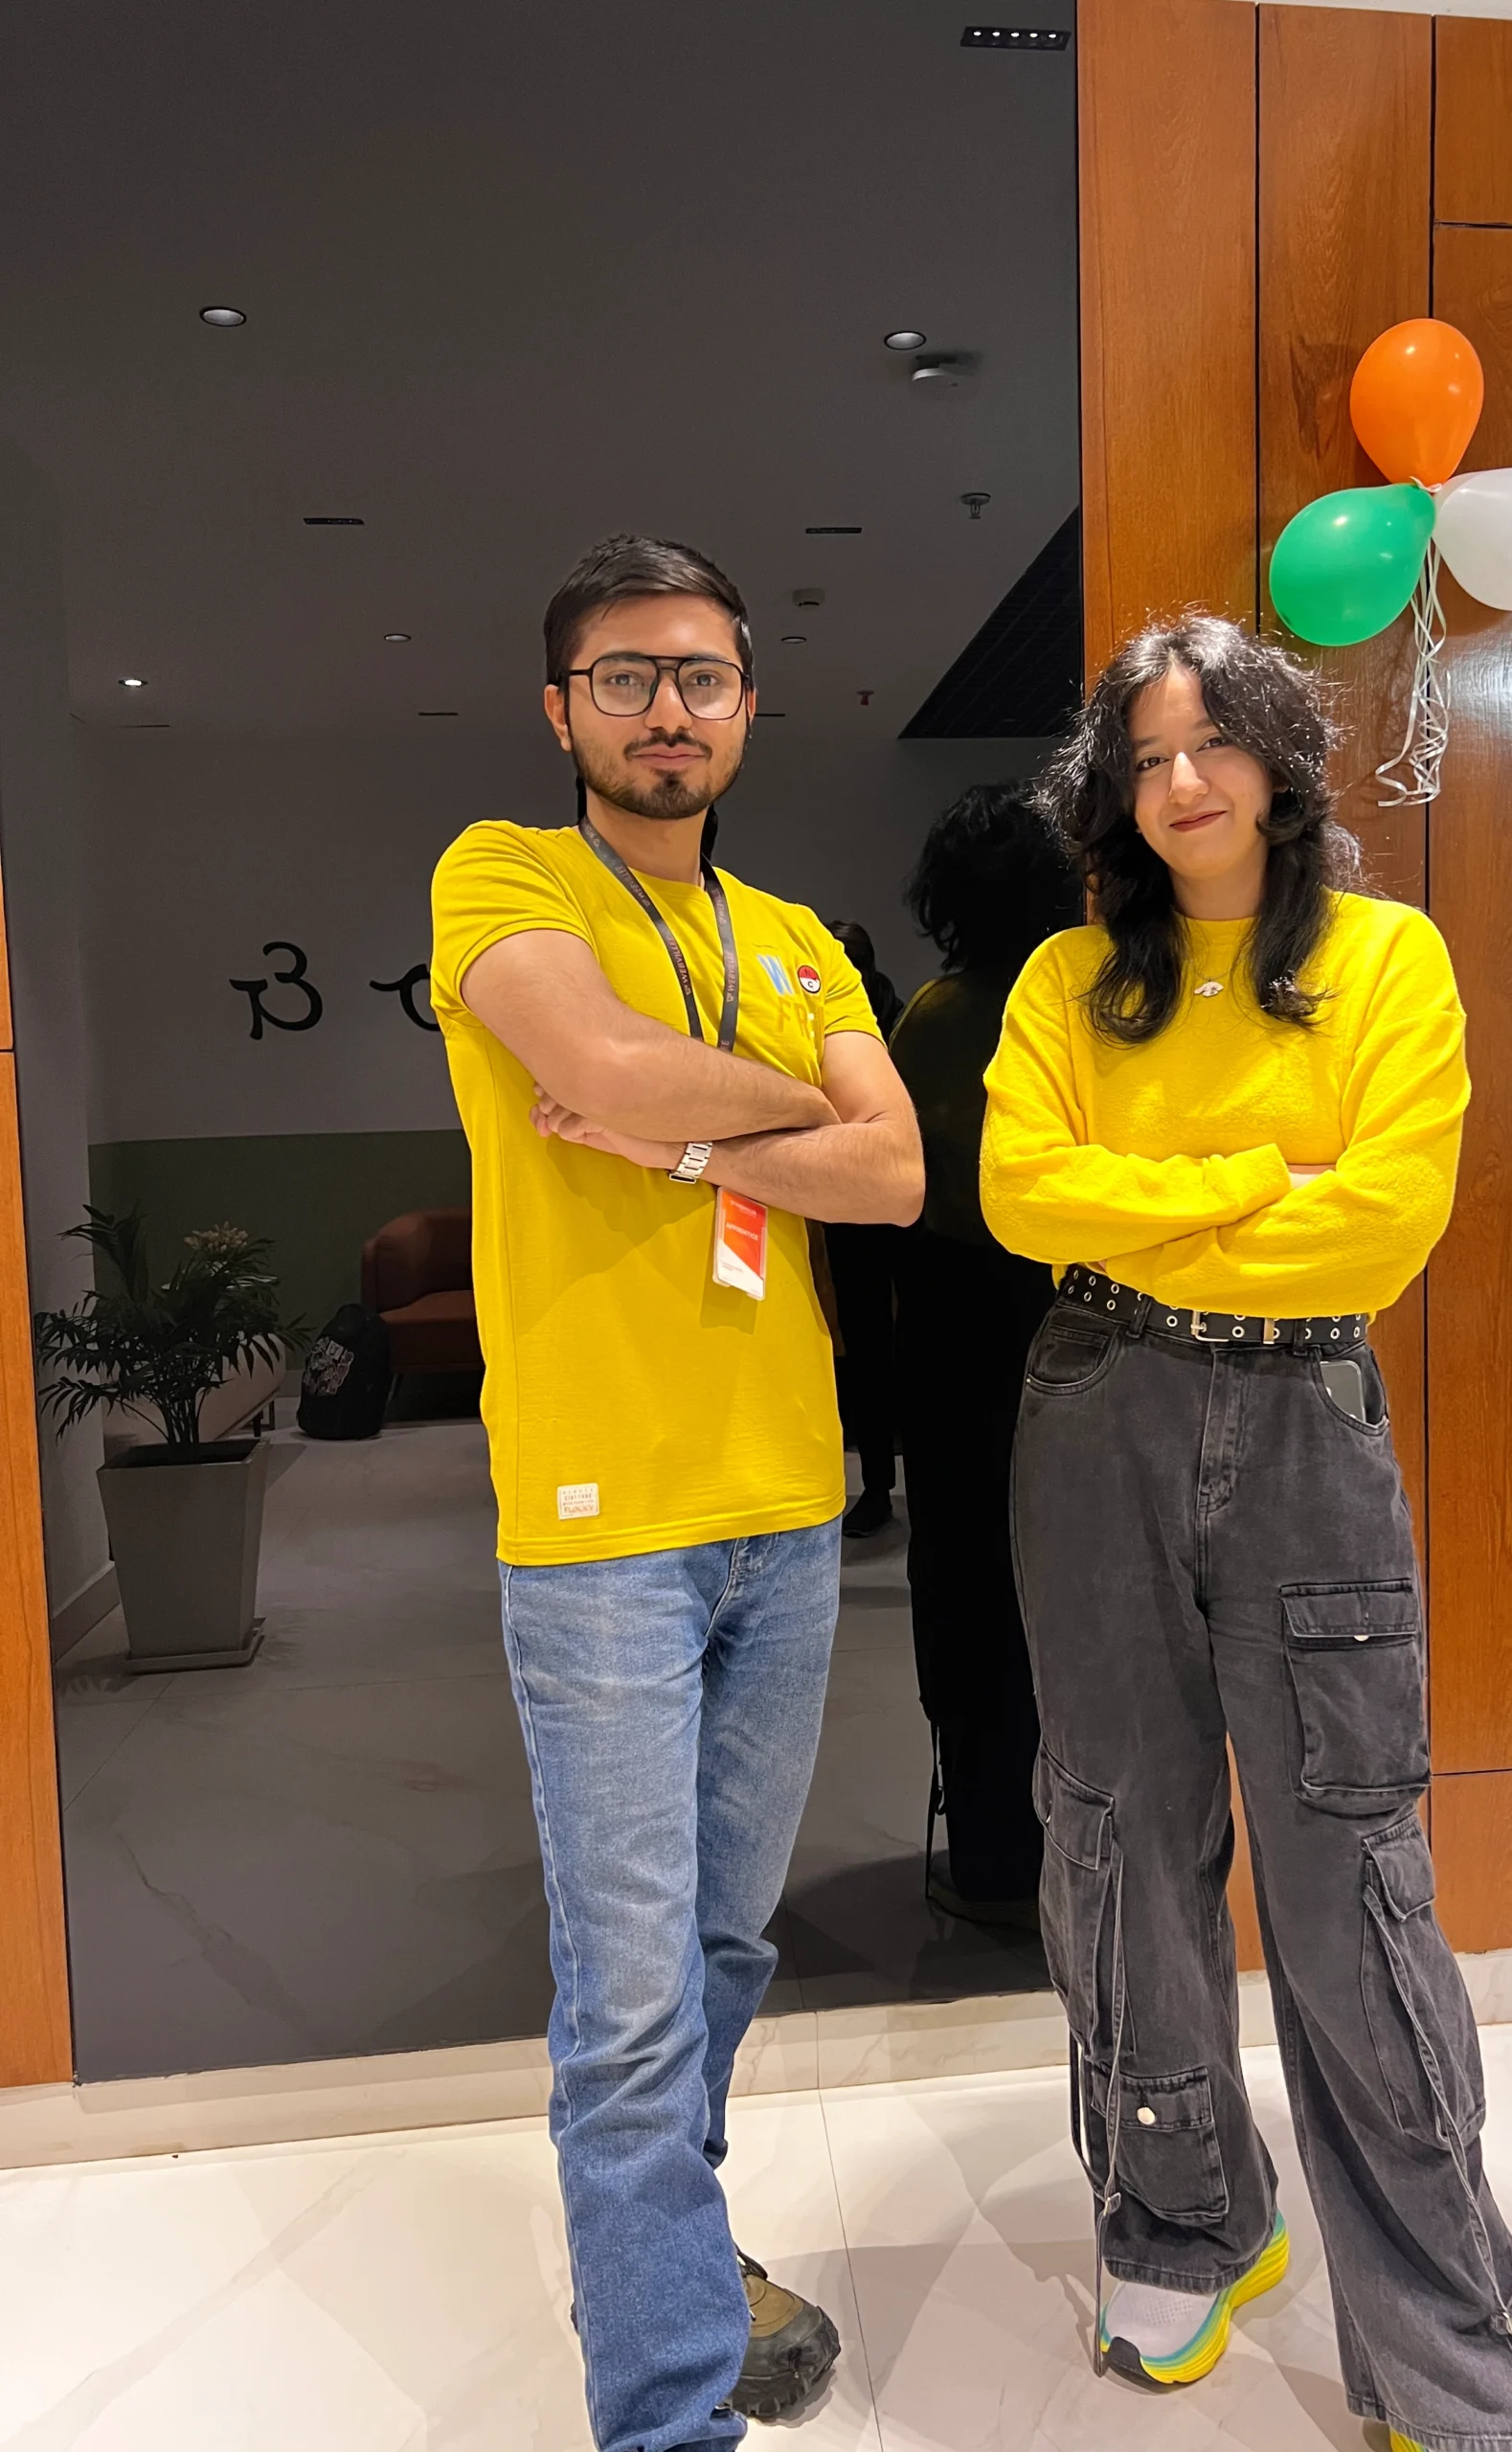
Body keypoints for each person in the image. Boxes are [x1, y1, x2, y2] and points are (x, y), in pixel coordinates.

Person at [981, 616, 1512, 2452]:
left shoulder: (1387, 958)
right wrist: (1251, 1179)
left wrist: (1143, 1204)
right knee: (1114, 1838)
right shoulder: (1067, 980)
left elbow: (1383, 1225)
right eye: (1145, 757)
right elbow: (1019, 1196)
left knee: (1347, 1864)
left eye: (1213, 742)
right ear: (1110, 793)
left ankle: (1445, 2347)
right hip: (1095, 1414)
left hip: (1305, 1420)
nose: (1183, 783)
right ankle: (1186, 2220)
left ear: (1283, 758)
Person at [429, 533, 923, 2452]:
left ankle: (675, 2255)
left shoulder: (797, 932)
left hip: (785, 1508)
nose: (666, 710)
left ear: (745, 704)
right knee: (631, 1989)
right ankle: (665, 2413)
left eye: (700, 675)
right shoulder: (505, 874)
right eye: (624, 677)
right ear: (561, 708)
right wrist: (790, 1104)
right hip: (602, 1526)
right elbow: (594, 1064)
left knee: (723, 1949)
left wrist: (690, 1124)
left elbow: (898, 1174)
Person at [888, 784, 1079, 1919]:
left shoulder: (936, 1017)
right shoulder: (1088, 1002)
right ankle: (1084, 1858)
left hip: (952, 1321)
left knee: (964, 1571)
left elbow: (898, 1190)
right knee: (1074, 1575)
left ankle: (994, 1854)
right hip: (1074, 1309)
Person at [822, 920, 903, 1536]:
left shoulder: (901, 1024)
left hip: (906, 1210)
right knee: (868, 1349)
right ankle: (877, 1486)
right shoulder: (825, 1026)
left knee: (894, 1349)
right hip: (851, 1211)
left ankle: (885, 1487)